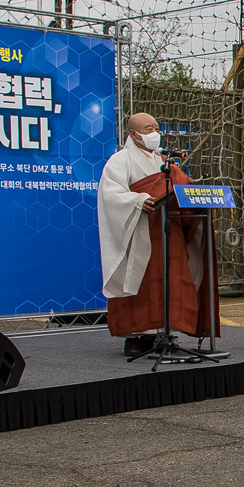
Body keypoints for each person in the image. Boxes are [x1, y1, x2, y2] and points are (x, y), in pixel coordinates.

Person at [97, 112, 209, 356]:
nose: (154, 133)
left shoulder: (163, 160)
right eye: (148, 129)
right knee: (144, 284)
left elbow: (180, 190)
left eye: (156, 128)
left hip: (169, 233)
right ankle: (137, 336)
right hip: (140, 231)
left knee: (171, 281)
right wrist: (137, 200)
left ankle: (164, 332)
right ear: (133, 134)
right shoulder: (120, 160)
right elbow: (111, 194)